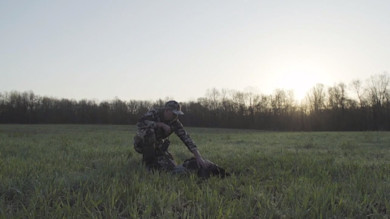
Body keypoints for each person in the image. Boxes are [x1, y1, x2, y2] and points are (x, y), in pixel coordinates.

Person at [133, 100, 212, 173]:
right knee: (149, 132)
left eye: (177, 114)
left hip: (158, 145)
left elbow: (186, 138)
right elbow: (140, 123)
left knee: (171, 166)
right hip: (141, 144)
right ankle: (147, 164)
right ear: (166, 110)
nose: (176, 116)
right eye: (174, 114)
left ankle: (155, 159)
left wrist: (198, 156)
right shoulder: (154, 112)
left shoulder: (175, 123)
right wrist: (160, 125)